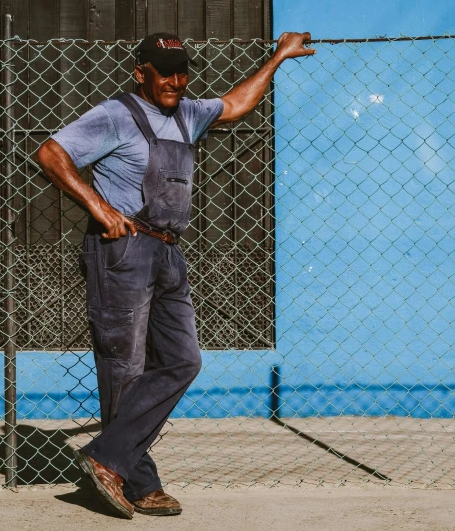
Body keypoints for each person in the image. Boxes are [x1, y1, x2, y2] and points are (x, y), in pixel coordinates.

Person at [34, 31, 315, 518]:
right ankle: (137, 481)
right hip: (122, 250)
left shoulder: (187, 113)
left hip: (167, 252)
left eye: (182, 70)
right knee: (124, 370)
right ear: (141, 71)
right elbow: (51, 153)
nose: (175, 80)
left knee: (183, 361)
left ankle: (107, 458)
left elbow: (235, 104)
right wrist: (99, 207)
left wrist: (278, 58)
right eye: (164, 70)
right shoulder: (115, 114)